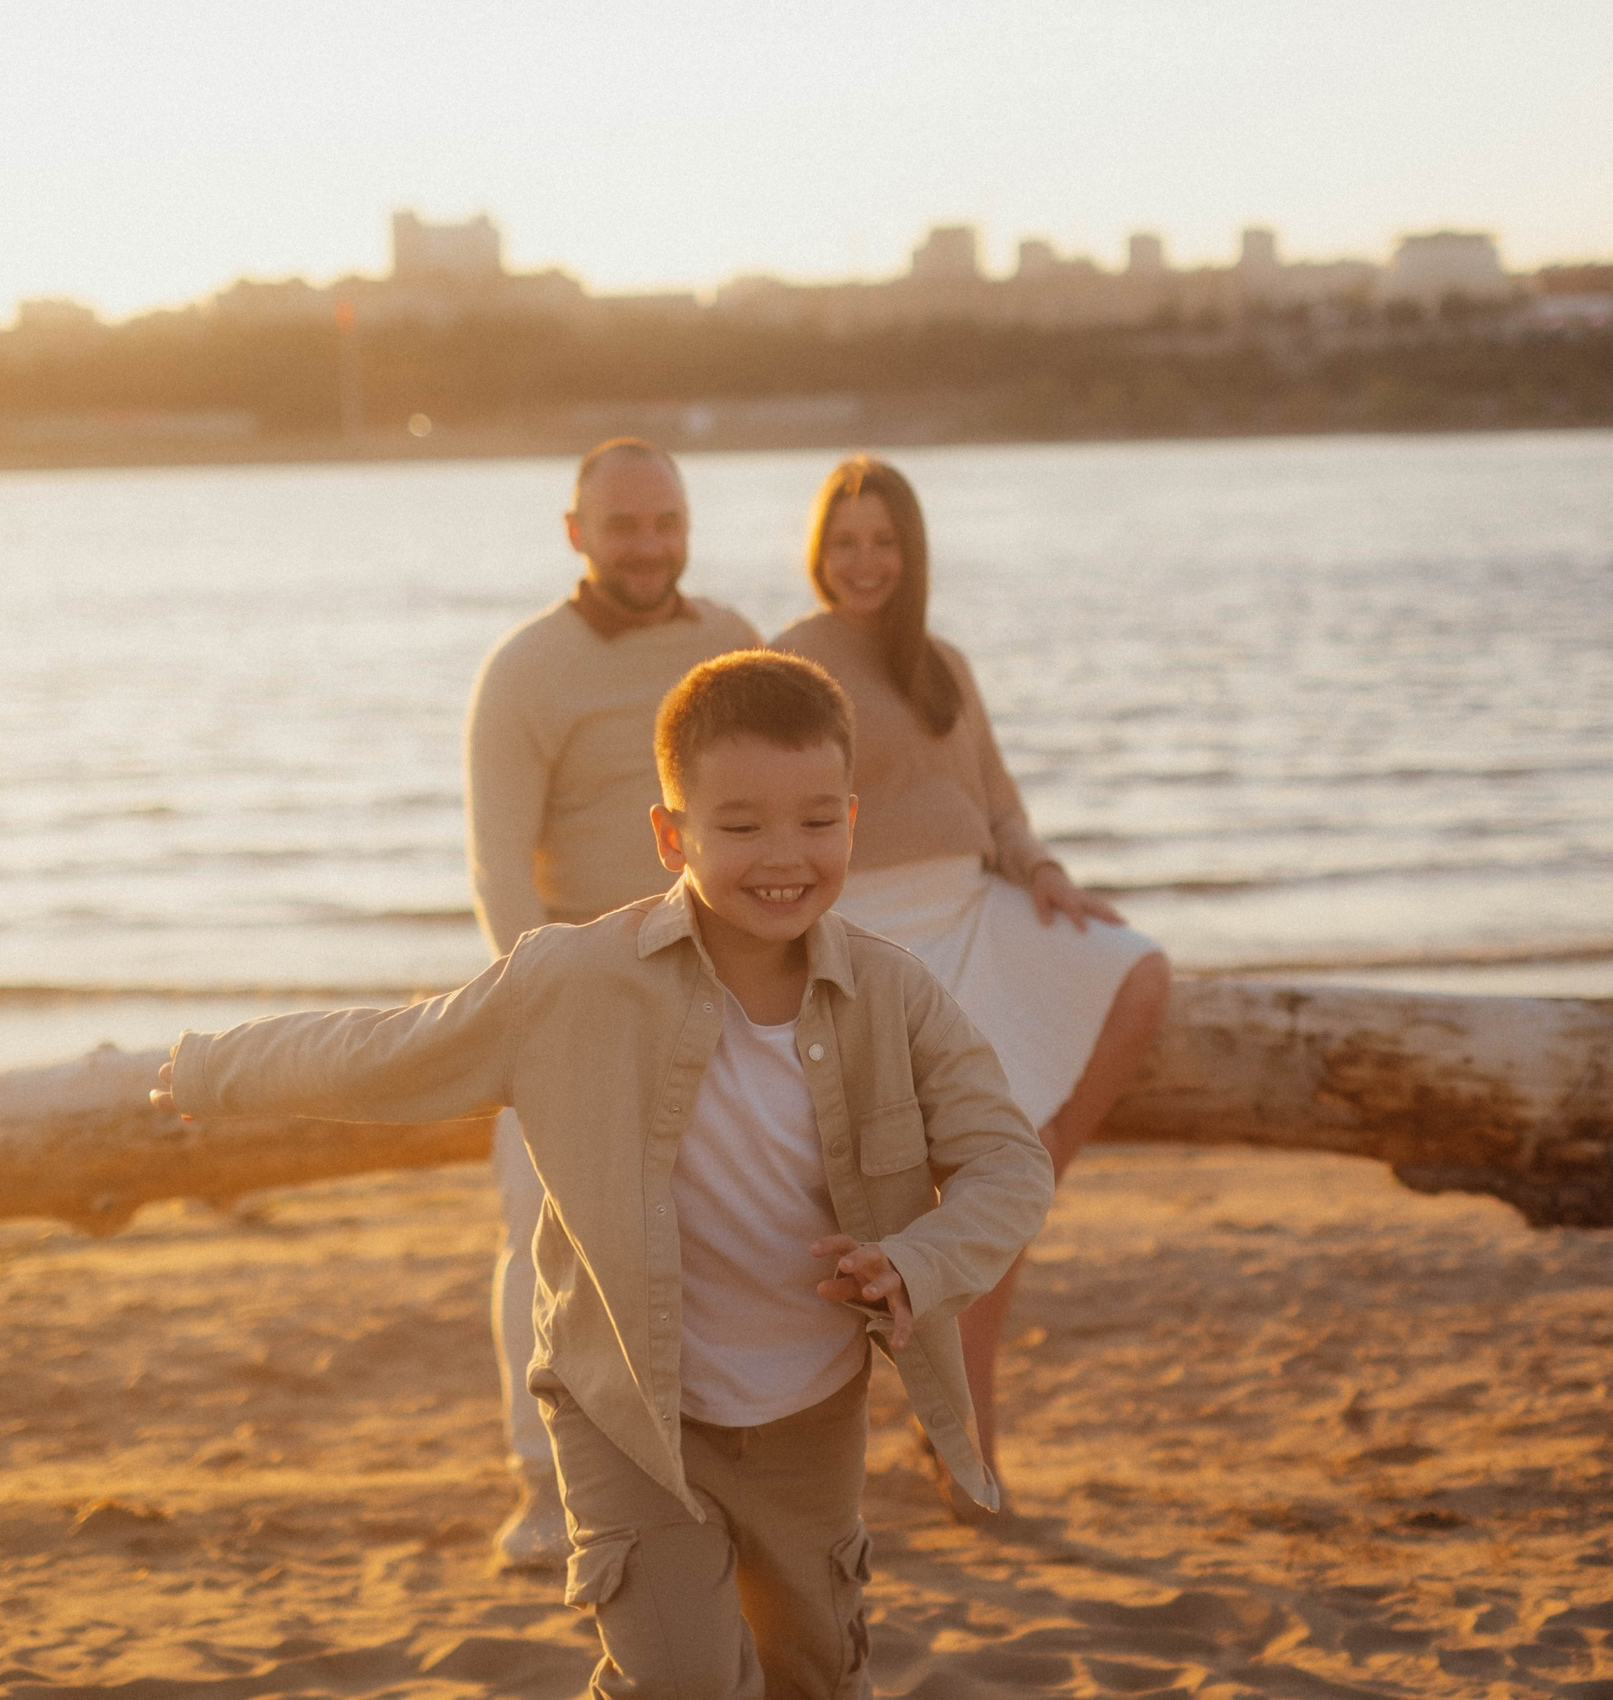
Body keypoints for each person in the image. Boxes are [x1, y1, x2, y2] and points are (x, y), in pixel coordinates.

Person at [156, 651, 1053, 1699]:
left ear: (852, 819)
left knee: (813, 1674)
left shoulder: (896, 996)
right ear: (672, 835)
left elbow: (1007, 1161)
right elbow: (388, 1051)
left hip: (808, 1417)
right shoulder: (572, 981)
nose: (784, 856)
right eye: (741, 825)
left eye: (817, 820)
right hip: (626, 1408)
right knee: (679, 1680)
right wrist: (216, 1069)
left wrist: (915, 1260)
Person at [775, 455, 1171, 1517]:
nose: (864, 562)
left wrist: (1041, 868)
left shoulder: (942, 661)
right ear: (819, 552)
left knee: (1136, 969)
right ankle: (968, 1457)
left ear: (911, 553)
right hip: (878, 933)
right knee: (969, 1212)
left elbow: (997, 800)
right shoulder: (790, 659)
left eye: (883, 542)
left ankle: (1027, 1184)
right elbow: (780, 812)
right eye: (845, 542)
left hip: (979, 908)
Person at [464, 437, 761, 1569]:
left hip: (725, 981)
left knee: (734, 1234)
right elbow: (498, 865)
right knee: (547, 1237)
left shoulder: (730, 641)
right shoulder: (525, 669)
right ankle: (542, 1484)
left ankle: (717, 1470)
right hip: (572, 992)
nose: (648, 545)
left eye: (665, 522)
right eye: (624, 525)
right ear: (576, 532)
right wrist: (542, 1006)